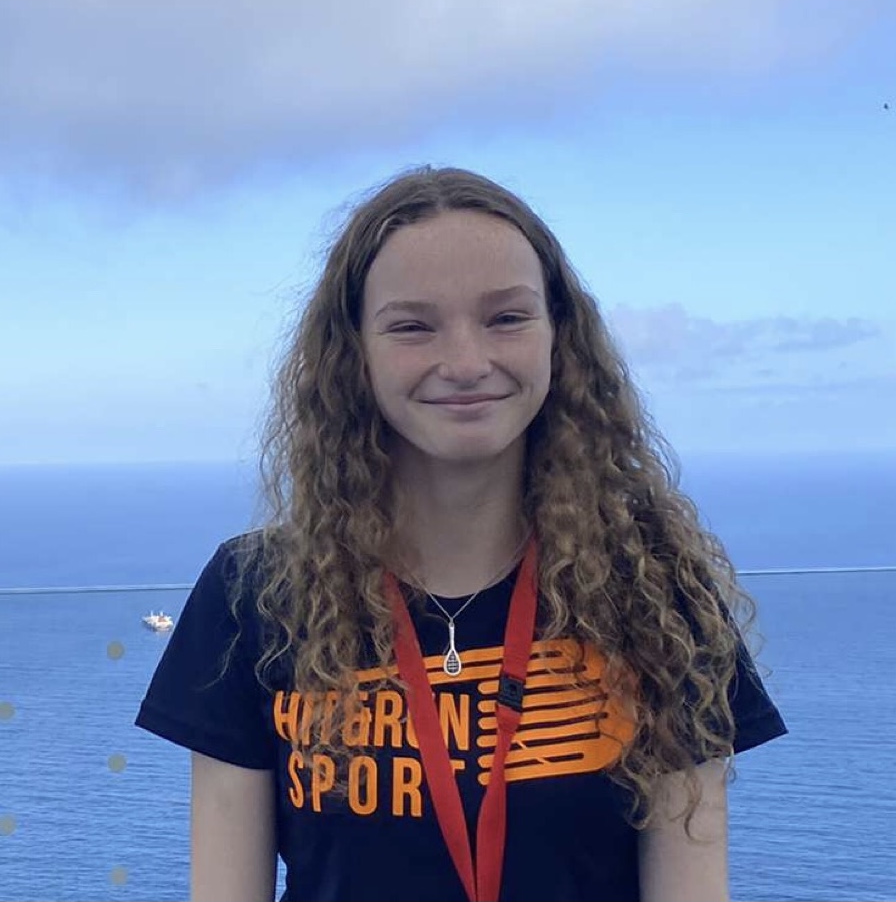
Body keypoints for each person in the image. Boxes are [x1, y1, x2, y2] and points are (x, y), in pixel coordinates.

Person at [135, 166, 786, 902]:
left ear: (558, 337)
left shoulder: (655, 587)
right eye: (413, 326)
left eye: (506, 317)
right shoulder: (253, 593)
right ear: (354, 355)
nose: (467, 363)